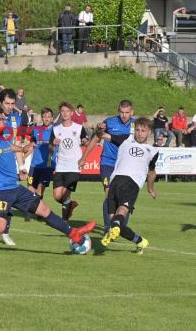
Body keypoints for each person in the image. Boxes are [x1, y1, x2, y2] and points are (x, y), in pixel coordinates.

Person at [0, 106, 96, 261]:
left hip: (14, 187)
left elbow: (7, 146)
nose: (3, 121)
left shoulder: (1, 134)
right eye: (0, 118)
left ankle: (74, 233)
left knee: (45, 209)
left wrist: (22, 148)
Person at [98, 117, 158, 254]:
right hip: (115, 181)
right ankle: (141, 241)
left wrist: (150, 189)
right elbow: (104, 135)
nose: (140, 133)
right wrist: (99, 130)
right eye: (137, 130)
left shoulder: (153, 151)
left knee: (122, 212)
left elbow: (152, 172)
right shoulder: (126, 139)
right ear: (133, 130)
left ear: (149, 132)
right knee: (115, 223)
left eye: (143, 130)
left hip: (132, 183)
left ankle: (114, 230)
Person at [80, 99, 135, 235]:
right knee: (109, 194)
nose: (124, 115)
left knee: (124, 199)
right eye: (121, 112)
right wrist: (84, 157)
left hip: (125, 165)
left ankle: (119, 227)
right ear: (118, 111)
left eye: (127, 113)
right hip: (108, 163)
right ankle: (107, 228)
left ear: (132, 112)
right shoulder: (109, 122)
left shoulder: (136, 126)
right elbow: (96, 138)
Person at [50, 102, 87, 221]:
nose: (65, 113)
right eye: (62, 111)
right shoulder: (55, 129)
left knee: (66, 195)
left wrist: (85, 141)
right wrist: (53, 144)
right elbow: (50, 147)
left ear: (72, 113)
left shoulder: (79, 128)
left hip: (74, 166)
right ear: (60, 113)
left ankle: (64, 222)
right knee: (56, 196)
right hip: (60, 165)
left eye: (67, 111)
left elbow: (85, 141)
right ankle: (70, 205)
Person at [0, 88, 22, 245]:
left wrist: (21, 165)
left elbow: (16, 143)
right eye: (7, 103)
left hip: (9, 165)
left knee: (10, 199)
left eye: (12, 103)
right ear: (0, 103)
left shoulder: (15, 119)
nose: (10, 106)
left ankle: (5, 232)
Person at [26, 107, 56, 209]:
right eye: (44, 117)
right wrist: (31, 145)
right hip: (34, 165)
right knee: (30, 189)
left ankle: (36, 211)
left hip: (48, 165)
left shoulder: (56, 130)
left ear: (52, 118)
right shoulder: (36, 129)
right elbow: (32, 141)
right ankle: (37, 209)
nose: (46, 119)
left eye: (48, 117)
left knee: (40, 190)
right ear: (42, 118)